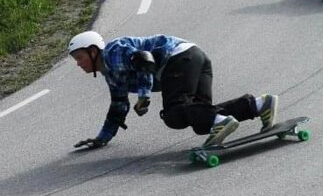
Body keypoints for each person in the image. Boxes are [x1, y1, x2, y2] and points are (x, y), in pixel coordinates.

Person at [68, 31, 280, 149]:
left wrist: (143, 96)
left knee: (173, 114)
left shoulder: (113, 52)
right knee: (200, 118)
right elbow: (118, 106)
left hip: (179, 59)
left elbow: (144, 60)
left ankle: (221, 121)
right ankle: (259, 105)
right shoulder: (112, 75)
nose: (78, 64)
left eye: (80, 57)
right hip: (195, 57)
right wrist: (101, 139)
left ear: (94, 51)